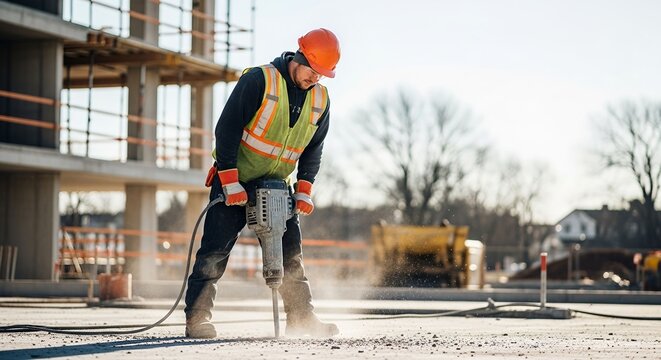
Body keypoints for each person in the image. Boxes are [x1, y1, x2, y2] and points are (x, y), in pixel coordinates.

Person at [184, 28, 341, 339]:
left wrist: (305, 189)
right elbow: (227, 129)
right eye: (313, 71)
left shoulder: (321, 99)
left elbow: (313, 148)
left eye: (322, 75)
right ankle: (197, 319)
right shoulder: (260, 79)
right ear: (300, 57)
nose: (315, 79)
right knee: (214, 252)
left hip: (276, 184)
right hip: (235, 180)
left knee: (290, 255)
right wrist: (229, 179)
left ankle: (300, 317)